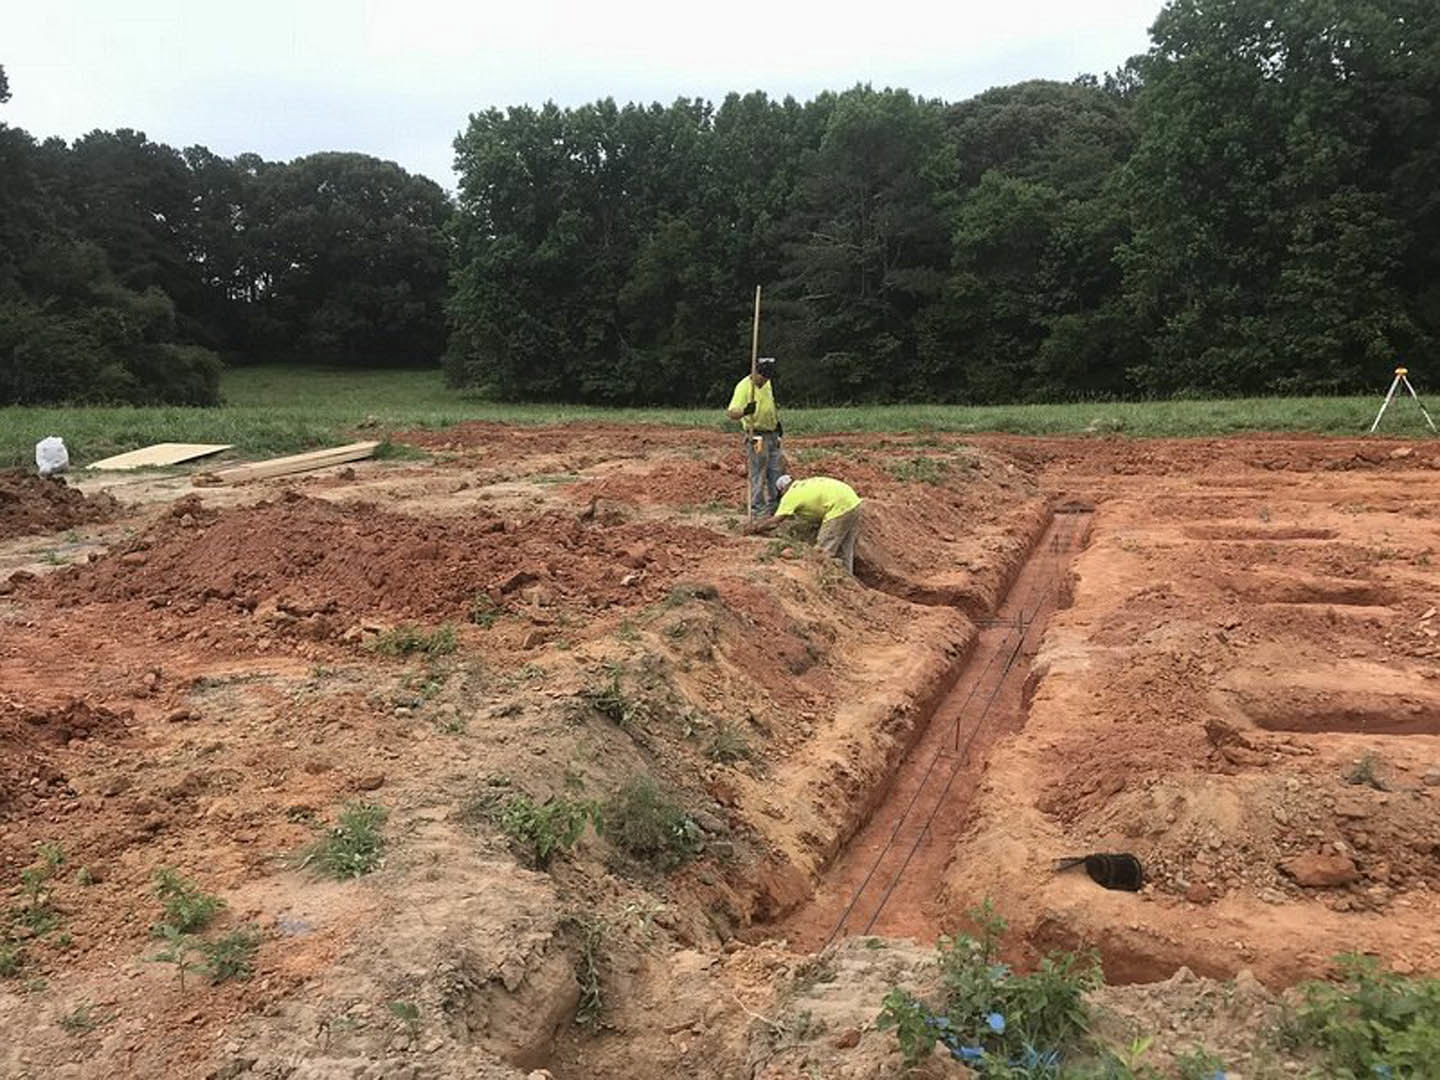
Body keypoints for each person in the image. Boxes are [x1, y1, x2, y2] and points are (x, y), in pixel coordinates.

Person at [745, 474, 863, 573]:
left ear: (781, 491)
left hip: (839, 507)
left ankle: (823, 581)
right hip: (853, 501)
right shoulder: (804, 485)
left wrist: (756, 527)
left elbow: (775, 523)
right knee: (845, 550)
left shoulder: (790, 495)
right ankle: (848, 582)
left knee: (822, 552)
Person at [725, 356, 783, 516]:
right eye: (762, 378)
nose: (764, 382)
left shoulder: (767, 384)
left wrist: (777, 424)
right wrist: (744, 411)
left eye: (767, 379)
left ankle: (776, 505)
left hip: (772, 434)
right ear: (755, 372)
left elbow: (770, 405)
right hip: (756, 436)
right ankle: (757, 508)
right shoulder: (744, 387)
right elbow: (731, 412)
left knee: (776, 470)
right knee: (758, 470)